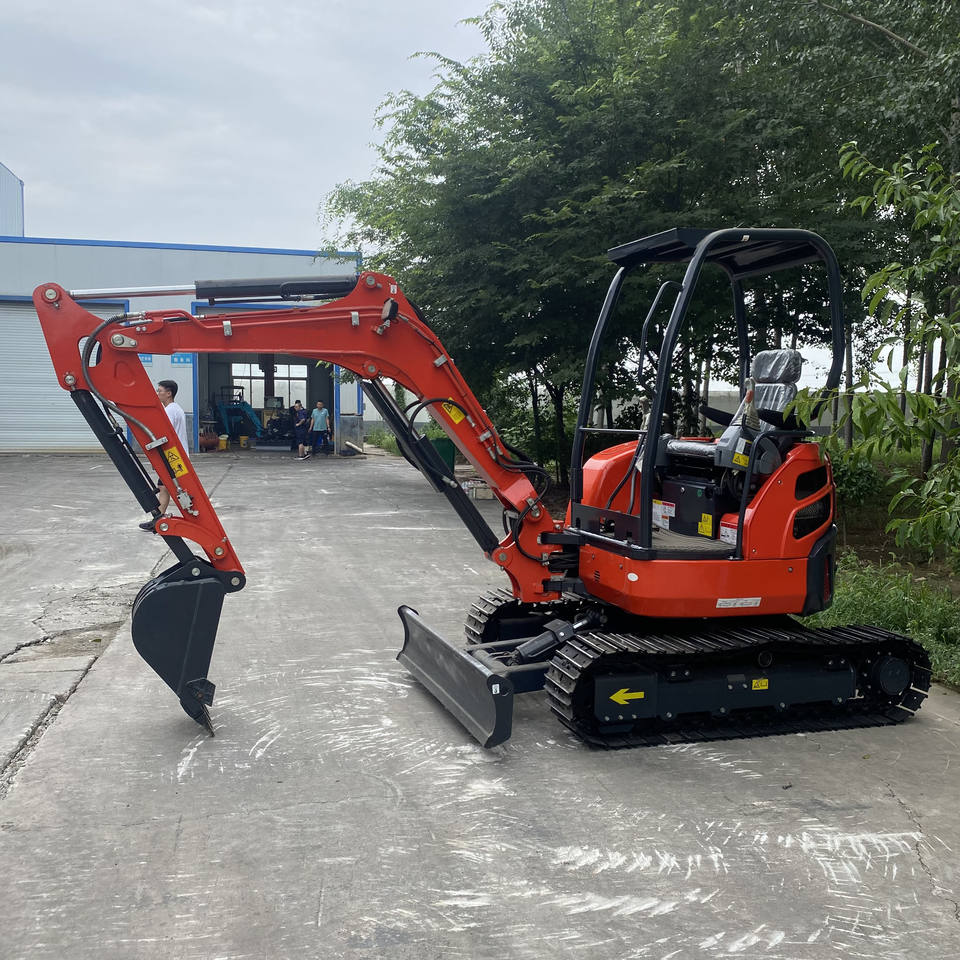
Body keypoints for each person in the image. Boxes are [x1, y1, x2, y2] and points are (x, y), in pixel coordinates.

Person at [139, 379, 190, 531]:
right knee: (164, 487)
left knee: (171, 487)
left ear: (169, 393)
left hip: (173, 456)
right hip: (177, 455)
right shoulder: (176, 409)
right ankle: (158, 519)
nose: (157, 393)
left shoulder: (170, 411)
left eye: (159, 391)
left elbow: (162, 435)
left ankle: (160, 519)